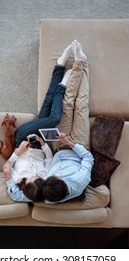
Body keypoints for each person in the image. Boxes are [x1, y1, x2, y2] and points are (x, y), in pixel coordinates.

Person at [3, 44, 74, 202]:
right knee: (48, 102)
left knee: (55, 118)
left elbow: (7, 166)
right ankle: (60, 65)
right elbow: (48, 158)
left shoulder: (17, 179)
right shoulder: (44, 179)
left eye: (32, 178)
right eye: (38, 178)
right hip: (40, 140)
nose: (36, 175)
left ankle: (62, 83)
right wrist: (42, 144)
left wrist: (19, 152)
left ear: (26, 185)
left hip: (22, 139)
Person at [42, 39, 94, 204]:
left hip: (58, 146)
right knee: (81, 105)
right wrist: (70, 143)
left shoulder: (49, 193)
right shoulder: (79, 181)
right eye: (56, 177)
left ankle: (81, 63)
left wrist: (44, 144)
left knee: (67, 104)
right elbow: (88, 158)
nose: (54, 174)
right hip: (78, 146)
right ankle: (80, 64)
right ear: (63, 183)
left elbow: (49, 164)